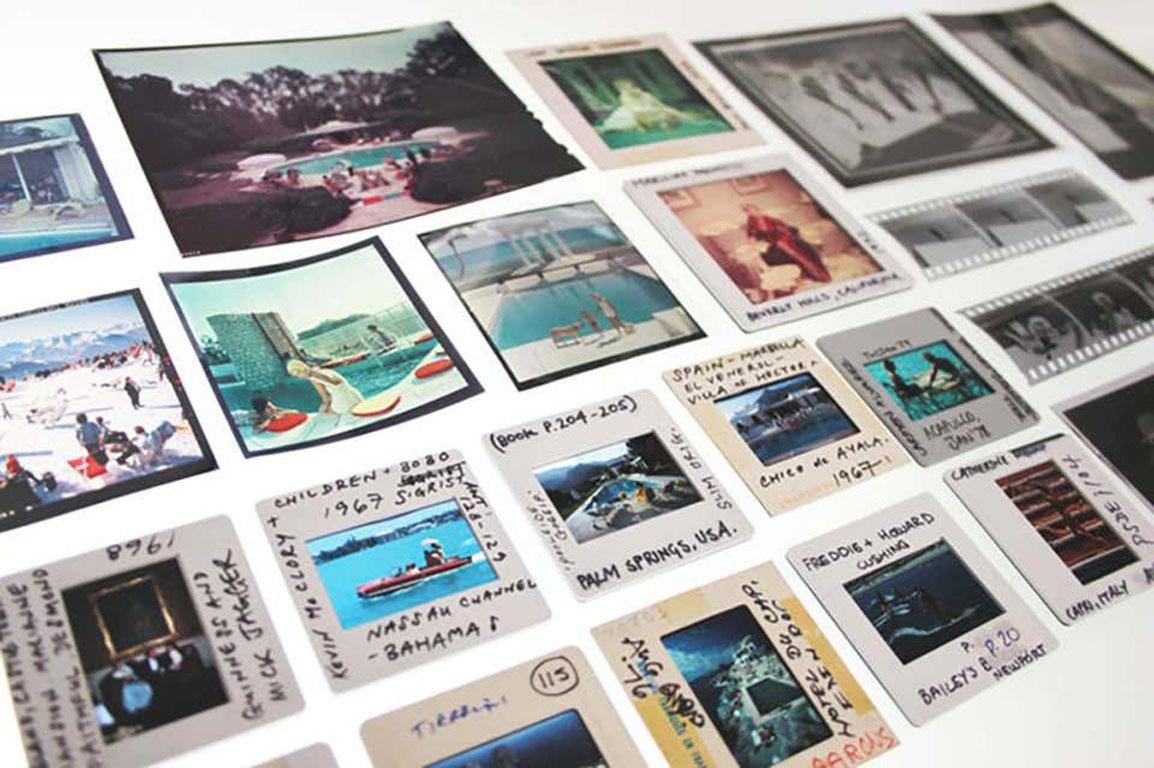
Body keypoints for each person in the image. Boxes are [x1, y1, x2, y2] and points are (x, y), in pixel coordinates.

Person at [742, 203, 832, 284]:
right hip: (777, 242)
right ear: (747, 213)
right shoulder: (751, 224)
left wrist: (792, 232)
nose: (753, 212)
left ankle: (821, 270)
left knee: (805, 247)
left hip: (788, 236)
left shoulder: (767, 217)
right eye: (750, 211)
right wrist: (757, 246)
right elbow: (752, 239)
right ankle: (818, 275)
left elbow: (784, 226)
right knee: (797, 254)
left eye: (754, 209)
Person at [285, 359, 364, 415]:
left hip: (344, 401)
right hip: (354, 395)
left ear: (301, 370)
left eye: (298, 374)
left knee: (326, 412)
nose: (300, 377)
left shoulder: (313, 378)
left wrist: (324, 407)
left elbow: (325, 397)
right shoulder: (322, 370)